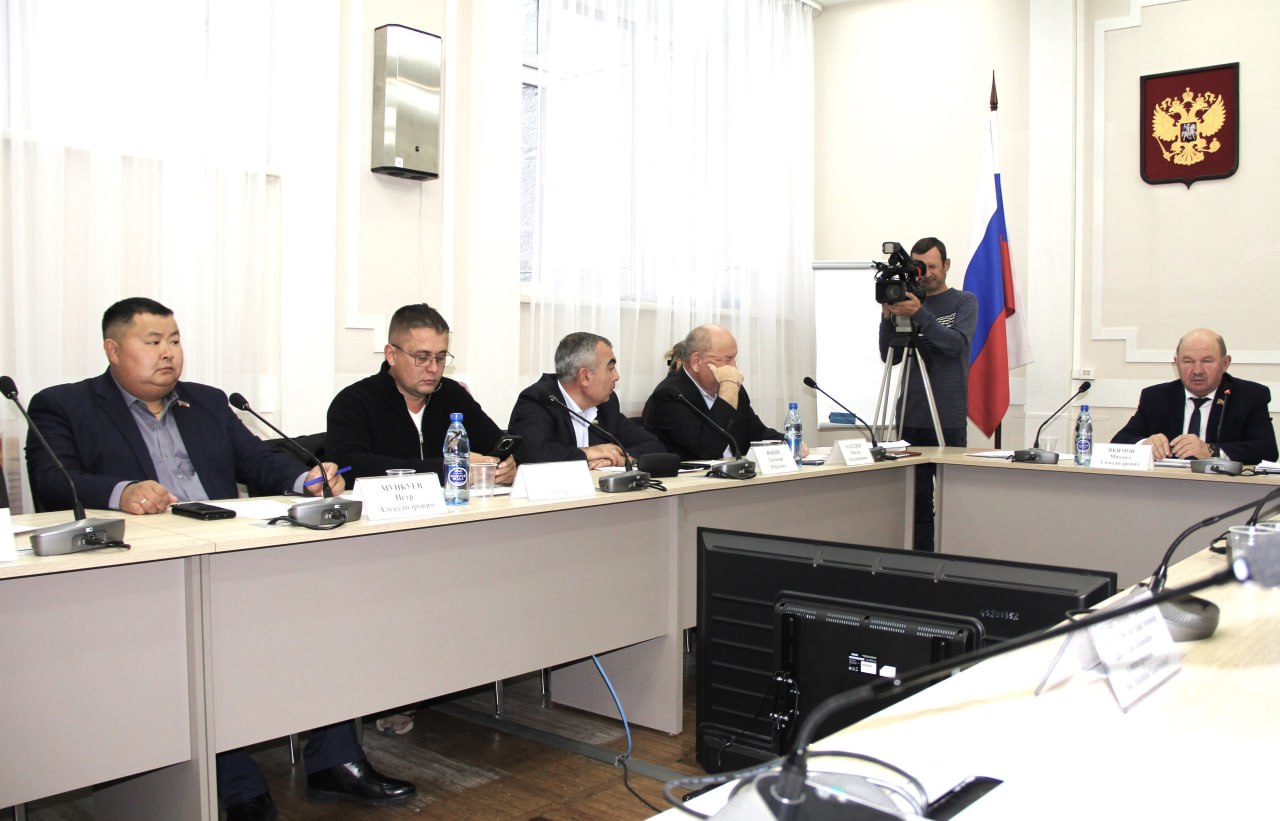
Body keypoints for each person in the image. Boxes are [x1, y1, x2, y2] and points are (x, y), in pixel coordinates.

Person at [24, 298, 415, 820]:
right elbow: (53, 482)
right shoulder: (63, 405)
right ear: (113, 350)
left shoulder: (206, 402)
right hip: (147, 578)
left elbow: (258, 461)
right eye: (153, 342)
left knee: (326, 612)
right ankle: (238, 786)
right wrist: (120, 491)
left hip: (229, 558)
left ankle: (335, 762)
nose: (168, 353)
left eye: (175, 340)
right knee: (206, 650)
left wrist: (304, 479)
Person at [326, 303, 517, 484]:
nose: (433, 368)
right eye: (422, 357)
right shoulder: (354, 402)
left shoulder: (453, 395)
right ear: (391, 355)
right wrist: (444, 470)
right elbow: (348, 466)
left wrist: (506, 466)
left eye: (440, 357)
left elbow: (494, 444)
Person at [878, 237, 977, 550]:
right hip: (910, 416)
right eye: (920, 267)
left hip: (947, 417)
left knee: (952, 498)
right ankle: (917, 560)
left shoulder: (964, 302)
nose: (926, 273)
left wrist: (920, 314)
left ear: (946, 265)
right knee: (915, 500)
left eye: (933, 266)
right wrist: (887, 318)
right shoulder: (903, 298)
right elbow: (889, 356)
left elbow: (956, 345)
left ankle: (948, 560)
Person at [1112, 328, 1277, 464]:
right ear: (1176, 363)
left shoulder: (1249, 396)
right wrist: (1144, 444)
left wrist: (1211, 451)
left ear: (1225, 363)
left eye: (1207, 361)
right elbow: (1119, 442)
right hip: (1165, 487)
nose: (1197, 370)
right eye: (1188, 361)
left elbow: (1267, 451)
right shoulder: (1156, 397)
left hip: (1223, 489)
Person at [507, 332, 665, 466]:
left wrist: (620, 459)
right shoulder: (539, 400)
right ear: (585, 377)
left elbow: (654, 445)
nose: (616, 376)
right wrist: (589, 453)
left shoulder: (606, 404)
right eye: (610, 369)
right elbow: (531, 454)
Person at [642, 324, 790, 459]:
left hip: (737, 475)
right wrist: (727, 392)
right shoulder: (670, 396)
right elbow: (708, 449)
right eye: (727, 359)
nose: (734, 367)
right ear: (696, 361)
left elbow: (756, 433)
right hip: (695, 479)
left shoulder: (732, 387)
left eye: (734, 358)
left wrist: (790, 443)